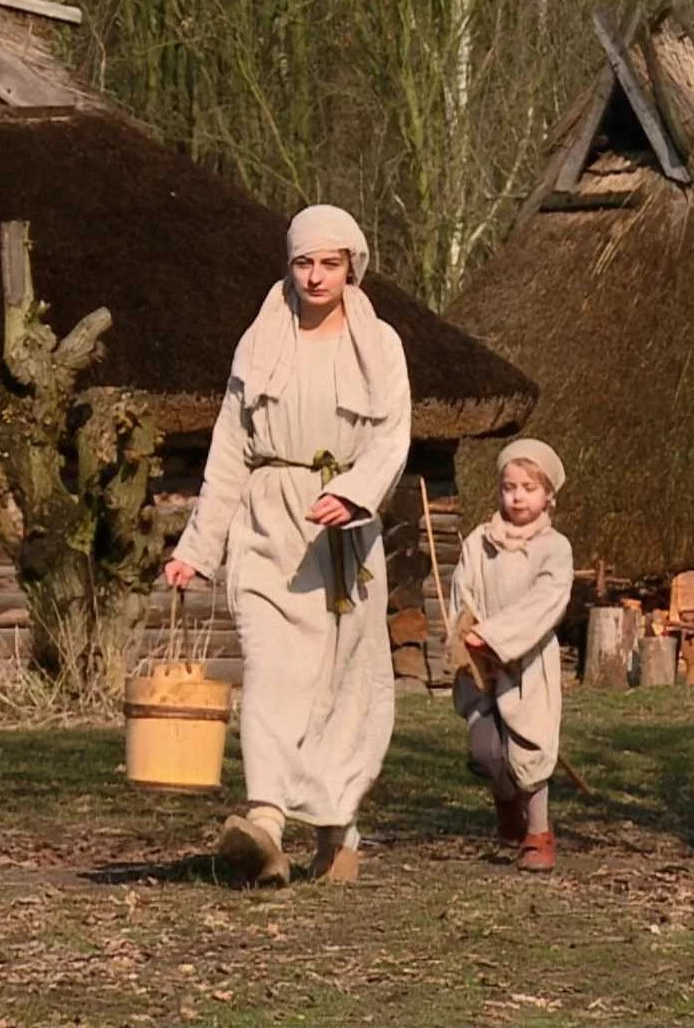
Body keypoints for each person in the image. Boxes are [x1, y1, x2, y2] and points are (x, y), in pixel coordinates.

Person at [163, 205, 411, 886]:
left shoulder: (380, 345)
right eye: (304, 262)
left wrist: (357, 493)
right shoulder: (261, 341)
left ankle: (338, 826)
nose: (316, 275)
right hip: (269, 525)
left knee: (342, 684)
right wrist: (197, 547)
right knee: (273, 672)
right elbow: (228, 452)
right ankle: (266, 821)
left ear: (351, 266)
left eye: (330, 262)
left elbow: (393, 436)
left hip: (344, 534)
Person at [448, 440, 574, 873]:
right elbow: (462, 592)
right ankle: (505, 800)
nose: (518, 496)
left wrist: (498, 638)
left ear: (547, 495)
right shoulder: (479, 542)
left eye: (528, 488)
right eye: (509, 487)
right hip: (481, 664)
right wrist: (470, 634)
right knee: (486, 749)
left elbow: (545, 601)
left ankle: (538, 834)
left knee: (529, 747)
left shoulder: (555, 548)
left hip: (529, 661)